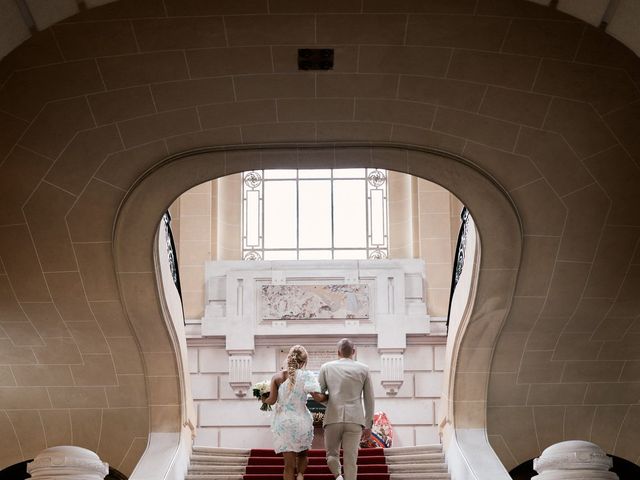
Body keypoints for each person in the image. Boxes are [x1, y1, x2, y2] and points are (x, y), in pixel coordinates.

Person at [262, 345, 327, 480]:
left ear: (289, 358)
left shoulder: (277, 377)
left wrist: (263, 397)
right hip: (302, 420)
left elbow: (272, 401)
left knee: (288, 465)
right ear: (304, 362)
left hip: (284, 423)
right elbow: (318, 398)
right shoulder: (307, 376)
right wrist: (329, 396)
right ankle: (301, 475)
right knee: (303, 455)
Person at [318, 338, 374, 480]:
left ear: (338, 352)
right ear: (354, 352)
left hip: (332, 418)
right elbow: (369, 399)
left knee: (331, 455)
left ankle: (338, 476)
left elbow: (318, 394)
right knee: (351, 459)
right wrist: (368, 425)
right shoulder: (364, 369)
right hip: (355, 420)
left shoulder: (326, 367)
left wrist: (331, 403)